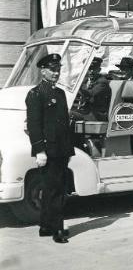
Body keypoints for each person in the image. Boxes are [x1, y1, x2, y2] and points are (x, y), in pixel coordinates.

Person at [25, 54, 73, 243]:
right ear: (42, 70)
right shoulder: (36, 94)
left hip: (61, 149)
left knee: (54, 187)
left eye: (58, 69)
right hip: (48, 150)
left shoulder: (60, 93)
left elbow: (63, 124)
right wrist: (39, 151)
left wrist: (68, 150)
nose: (56, 73)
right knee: (55, 190)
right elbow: (34, 125)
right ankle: (58, 230)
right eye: (52, 69)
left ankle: (45, 226)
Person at [71, 57, 111, 122]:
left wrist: (78, 88)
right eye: (89, 69)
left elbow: (90, 94)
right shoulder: (85, 80)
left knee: (68, 114)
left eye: (94, 69)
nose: (91, 71)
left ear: (99, 70)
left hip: (96, 115)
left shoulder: (102, 82)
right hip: (85, 111)